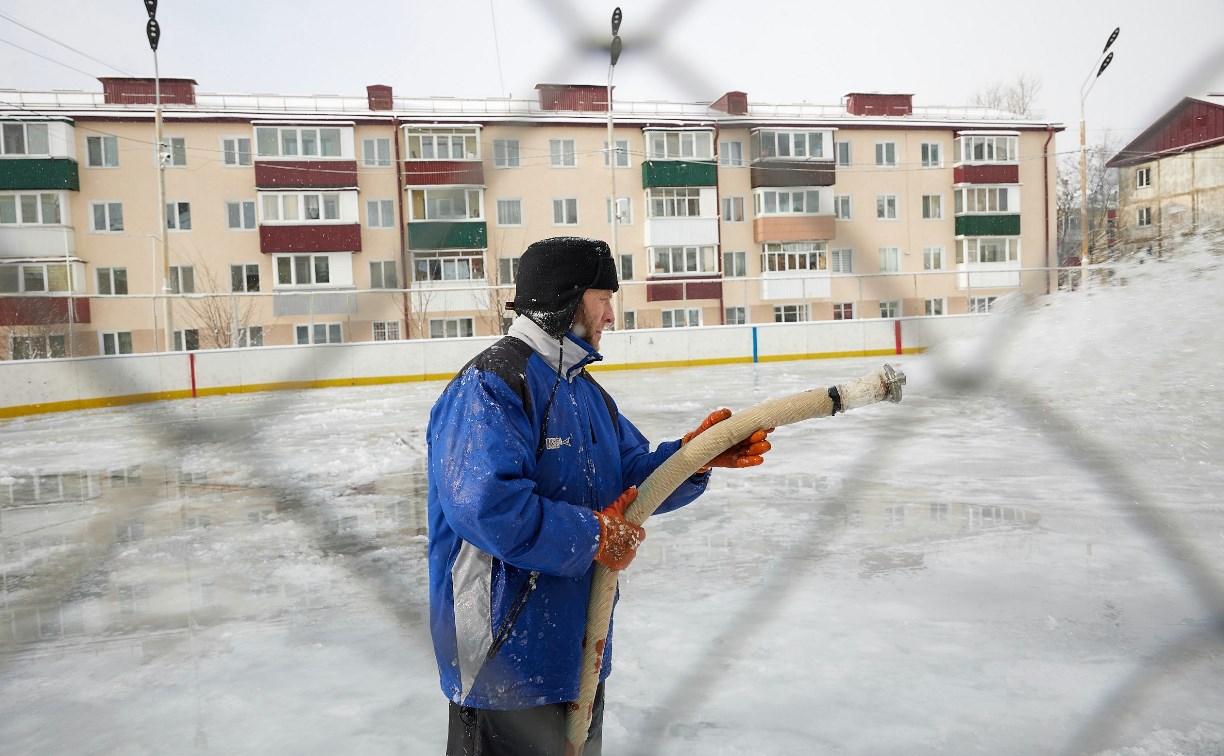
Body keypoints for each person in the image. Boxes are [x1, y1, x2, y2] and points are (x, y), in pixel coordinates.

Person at [426, 236, 773, 755]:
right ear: (566, 298)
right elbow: (487, 507)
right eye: (603, 296)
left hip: (576, 653)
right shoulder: (493, 384)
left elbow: (633, 476)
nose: (611, 314)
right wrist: (594, 535)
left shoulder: (583, 391)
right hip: (503, 663)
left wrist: (695, 455)